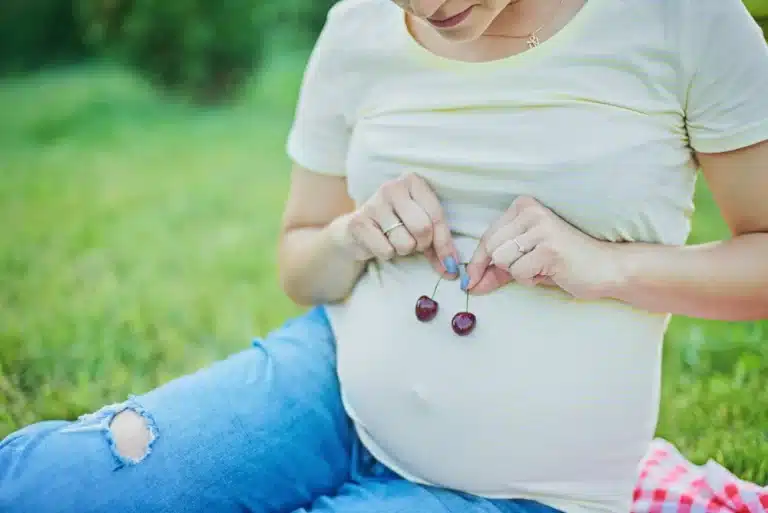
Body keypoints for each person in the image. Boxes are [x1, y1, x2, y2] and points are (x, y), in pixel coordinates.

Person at [2, 0, 767, 512]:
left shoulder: (682, 22)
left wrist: (611, 267)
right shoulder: (357, 30)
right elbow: (299, 260)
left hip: (522, 486)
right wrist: (351, 236)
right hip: (330, 384)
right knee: (75, 485)